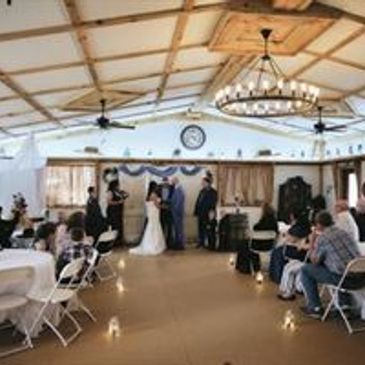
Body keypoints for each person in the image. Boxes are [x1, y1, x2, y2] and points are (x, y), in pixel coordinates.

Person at [300, 210, 362, 318]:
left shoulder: (323, 238)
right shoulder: (345, 233)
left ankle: (315, 308)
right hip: (361, 278)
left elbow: (314, 261)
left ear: (319, 225)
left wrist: (312, 242)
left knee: (305, 269)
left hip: (345, 281)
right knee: (338, 265)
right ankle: (344, 306)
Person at [269, 208, 311, 283]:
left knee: (276, 251)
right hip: (304, 254)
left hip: (295, 251)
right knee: (278, 250)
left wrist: (287, 234)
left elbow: (291, 239)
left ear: (292, 216)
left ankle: (277, 277)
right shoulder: (307, 227)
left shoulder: (297, 228)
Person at [129, 184, 166, 256]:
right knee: (154, 228)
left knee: (152, 227)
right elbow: (157, 206)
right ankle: (153, 244)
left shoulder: (149, 195)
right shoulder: (154, 195)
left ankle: (151, 243)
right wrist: (163, 207)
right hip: (154, 214)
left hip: (152, 214)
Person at [194, 177, 217, 248]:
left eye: (203, 182)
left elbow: (213, 203)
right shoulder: (202, 191)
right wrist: (196, 211)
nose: (202, 184)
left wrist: (211, 213)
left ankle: (210, 244)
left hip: (208, 213)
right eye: (202, 182)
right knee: (200, 228)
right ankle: (201, 242)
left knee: (209, 229)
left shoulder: (213, 192)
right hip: (200, 213)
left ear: (208, 183)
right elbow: (198, 201)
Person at [106, 180, 129, 246]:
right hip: (113, 212)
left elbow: (127, 194)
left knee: (119, 226)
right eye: (118, 185)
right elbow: (109, 202)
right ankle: (114, 243)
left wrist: (123, 193)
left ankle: (119, 242)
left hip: (118, 212)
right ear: (114, 185)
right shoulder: (110, 192)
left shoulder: (118, 192)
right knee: (115, 227)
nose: (119, 186)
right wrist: (119, 202)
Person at [159, 177, 174, 249]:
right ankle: (161, 243)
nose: (165, 183)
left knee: (170, 227)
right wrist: (161, 204)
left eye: (166, 182)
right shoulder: (159, 188)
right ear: (162, 182)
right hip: (161, 210)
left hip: (169, 210)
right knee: (162, 227)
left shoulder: (172, 188)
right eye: (164, 182)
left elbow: (173, 198)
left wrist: (169, 204)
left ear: (168, 182)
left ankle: (169, 244)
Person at [170, 176, 185, 250]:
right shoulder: (176, 188)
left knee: (179, 229)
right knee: (176, 228)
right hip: (175, 211)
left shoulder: (179, 189)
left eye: (172, 181)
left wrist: (175, 209)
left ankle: (180, 244)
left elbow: (179, 202)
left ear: (175, 181)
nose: (171, 182)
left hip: (177, 212)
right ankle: (177, 243)